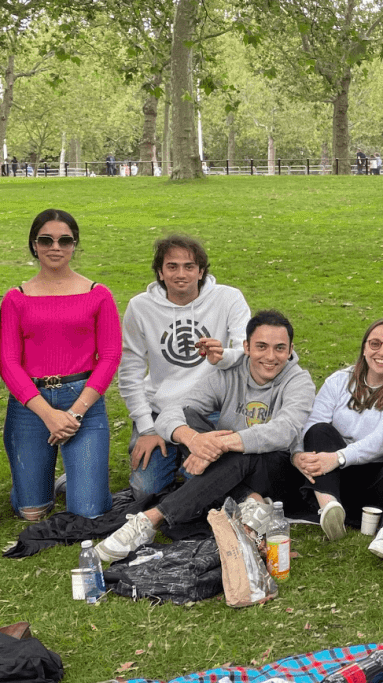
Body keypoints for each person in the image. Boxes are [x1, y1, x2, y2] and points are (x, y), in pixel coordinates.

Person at [95, 310, 316, 562]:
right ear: (246, 347)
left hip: (276, 472)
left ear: (289, 350)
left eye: (279, 348)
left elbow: (284, 431)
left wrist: (219, 445)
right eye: (261, 346)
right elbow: (171, 413)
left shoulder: (299, 381)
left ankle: (150, 520)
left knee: (243, 452)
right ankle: (251, 502)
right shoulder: (228, 374)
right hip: (230, 470)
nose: (270, 356)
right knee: (189, 417)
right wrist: (194, 440)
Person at [1, 209, 121, 520]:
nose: (56, 247)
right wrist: (48, 415)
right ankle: (37, 483)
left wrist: (74, 412)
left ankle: (79, 478)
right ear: (34, 245)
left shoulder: (98, 295)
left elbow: (110, 356)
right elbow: (8, 362)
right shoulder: (15, 299)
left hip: (83, 401)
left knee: (89, 513)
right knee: (32, 512)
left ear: (74, 245)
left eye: (65, 240)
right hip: (31, 406)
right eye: (46, 240)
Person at [120, 235, 251, 499]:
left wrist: (222, 356)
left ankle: (186, 463)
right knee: (146, 491)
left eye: (189, 266)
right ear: (160, 271)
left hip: (210, 411)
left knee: (211, 486)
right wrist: (146, 428)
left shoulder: (229, 299)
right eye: (172, 266)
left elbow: (247, 351)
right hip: (160, 412)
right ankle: (176, 459)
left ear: (201, 271)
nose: (181, 274)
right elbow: (129, 372)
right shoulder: (140, 307)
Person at [291, 318, 383, 561]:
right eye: (375, 344)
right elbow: (310, 423)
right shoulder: (339, 380)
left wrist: (338, 458)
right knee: (319, 431)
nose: (382, 351)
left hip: (376, 480)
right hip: (334, 479)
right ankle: (329, 510)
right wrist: (297, 456)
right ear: (364, 347)